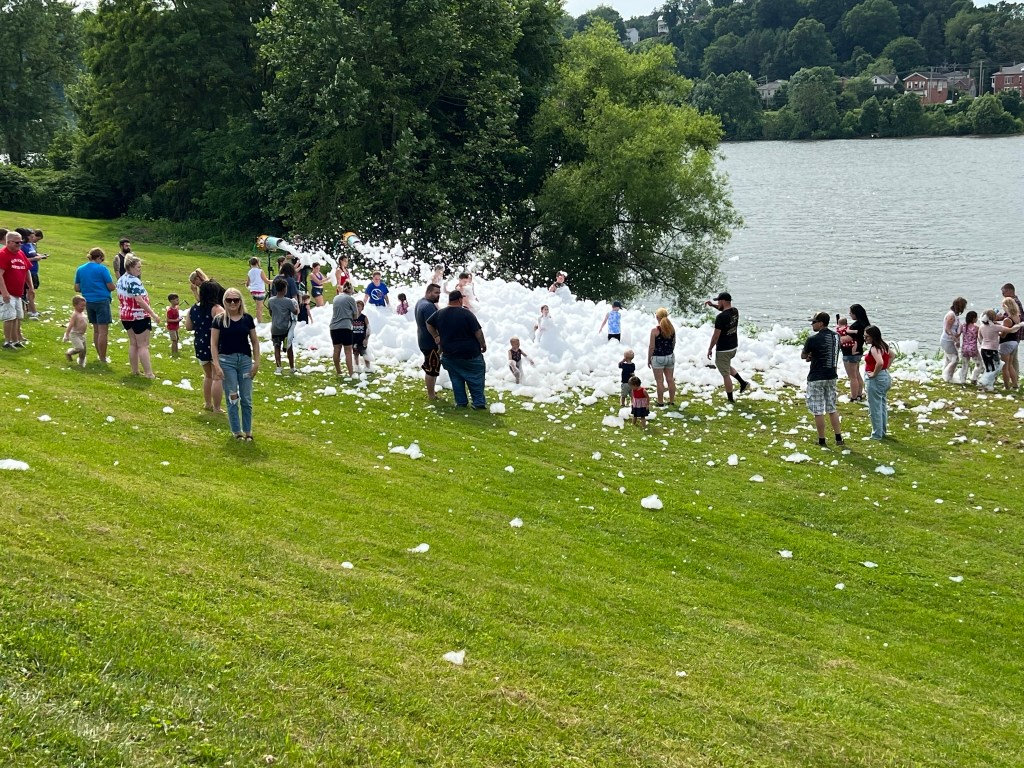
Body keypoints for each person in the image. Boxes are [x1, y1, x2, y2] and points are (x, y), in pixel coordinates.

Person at [210, 288, 260, 441]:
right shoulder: (219, 320)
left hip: (244, 361)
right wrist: (217, 365)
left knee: (246, 398)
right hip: (227, 361)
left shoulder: (247, 319)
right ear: (224, 302)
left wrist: (256, 362)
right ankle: (236, 431)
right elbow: (213, 343)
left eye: (235, 300)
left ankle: (248, 431)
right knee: (232, 397)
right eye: (229, 300)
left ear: (240, 302)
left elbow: (255, 341)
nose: (232, 303)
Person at [426, 289, 487, 409]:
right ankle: (478, 403)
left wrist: (436, 336)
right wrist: (483, 344)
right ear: (459, 299)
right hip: (470, 354)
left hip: (449, 354)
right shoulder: (466, 313)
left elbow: (428, 323)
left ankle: (461, 402)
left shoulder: (440, 313)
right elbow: (478, 332)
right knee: (475, 378)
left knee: (456, 379)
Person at [802, 312, 844, 448]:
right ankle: (838, 438)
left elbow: (803, 355)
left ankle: (822, 440)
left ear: (820, 323)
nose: (812, 324)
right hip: (831, 375)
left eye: (814, 322)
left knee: (818, 410)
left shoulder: (812, 339)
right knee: (832, 408)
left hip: (816, 377)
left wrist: (810, 356)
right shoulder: (837, 336)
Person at [116, 255, 161, 378]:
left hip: (125, 316)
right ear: (130, 267)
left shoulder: (120, 280)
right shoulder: (134, 281)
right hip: (139, 316)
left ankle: (135, 370)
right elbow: (139, 300)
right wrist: (153, 314)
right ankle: (148, 373)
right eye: (138, 267)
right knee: (143, 345)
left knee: (133, 343)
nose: (140, 270)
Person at [185, 279, 225, 411]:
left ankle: (207, 403)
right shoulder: (217, 309)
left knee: (208, 375)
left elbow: (188, 327)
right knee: (217, 377)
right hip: (215, 345)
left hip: (200, 344)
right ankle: (217, 408)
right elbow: (225, 328)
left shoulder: (194, 307)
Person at [73, 247, 116, 362]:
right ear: (98, 258)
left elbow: (77, 288)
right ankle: (103, 357)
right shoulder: (102, 269)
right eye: (102, 259)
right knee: (103, 332)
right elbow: (111, 287)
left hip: (88, 302)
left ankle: (99, 355)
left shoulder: (80, 269)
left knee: (96, 331)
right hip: (102, 301)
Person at [705, 292, 748, 403]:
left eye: (718, 301)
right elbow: (722, 309)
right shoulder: (735, 311)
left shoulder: (720, 318)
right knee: (726, 366)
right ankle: (743, 383)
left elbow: (715, 336)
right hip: (733, 346)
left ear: (723, 301)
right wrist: (712, 305)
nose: (717, 302)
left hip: (723, 349)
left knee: (725, 374)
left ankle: (730, 399)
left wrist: (710, 348)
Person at [0, 231, 32, 349]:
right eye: (17, 242)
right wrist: (4, 292)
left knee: (18, 316)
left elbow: (27, 269)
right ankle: (7, 341)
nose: (20, 244)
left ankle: (15, 340)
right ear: (8, 242)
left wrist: (31, 288)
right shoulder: (3, 254)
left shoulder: (20, 253)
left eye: (21, 242)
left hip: (18, 292)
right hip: (7, 292)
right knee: (10, 317)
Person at [863, 325, 892, 440]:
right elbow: (892, 356)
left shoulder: (875, 348)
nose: (865, 339)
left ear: (873, 336)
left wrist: (874, 373)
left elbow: (879, 362)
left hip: (876, 378)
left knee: (874, 407)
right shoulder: (884, 345)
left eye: (867, 337)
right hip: (885, 376)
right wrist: (886, 367)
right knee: (882, 405)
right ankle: (882, 431)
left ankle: (876, 434)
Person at [414, 283, 442, 400]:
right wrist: (437, 337)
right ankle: (431, 395)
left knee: (432, 367)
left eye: (439, 293)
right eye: (436, 293)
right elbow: (431, 324)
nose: (438, 295)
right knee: (432, 368)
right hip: (429, 342)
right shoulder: (428, 306)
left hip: (423, 339)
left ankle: (433, 393)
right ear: (428, 292)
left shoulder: (420, 302)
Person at [267, 277, 298, 375]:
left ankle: (279, 367)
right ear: (285, 289)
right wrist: (296, 306)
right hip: (285, 329)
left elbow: (271, 313)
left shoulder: (271, 300)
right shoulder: (288, 301)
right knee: (289, 347)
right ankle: (292, 367)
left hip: (275, 328)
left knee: (276, 347)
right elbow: (295, 312)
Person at [840, 304, 869, 401]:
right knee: (857, 374)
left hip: (849, 353)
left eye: (851, 312)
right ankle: (859, 394)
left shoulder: (855, 326)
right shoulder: (864, 324)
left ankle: (853, 397)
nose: (849, 314)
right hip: (858, 351)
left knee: (852, 377)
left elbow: (847, 339)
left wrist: (837, 337)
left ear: (855, 314)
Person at [647, 307, 676, 407]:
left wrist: (649, 359)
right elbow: (673, 343)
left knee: (659, 381)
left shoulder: (655, 330)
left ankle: (660, 401)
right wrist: (670, 351)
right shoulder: (671, 329)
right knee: (670, 379)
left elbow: (652, 347)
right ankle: (672, 401)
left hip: (658, 357)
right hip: (669, 356)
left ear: (657, 317)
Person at [329, 281, 359, 376]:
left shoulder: (336, 298)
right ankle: (351, 373)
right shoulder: (350, 299)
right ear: (351, 290)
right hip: (345, 327)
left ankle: (338, 371)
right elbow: (356, 315)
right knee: (348, 351)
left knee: (336, 350)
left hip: (334, 327)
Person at [939, 297, 967, 383]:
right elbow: (947, 329)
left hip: (950, 340)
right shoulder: (951, 315)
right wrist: (954, 338)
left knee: (949, 359)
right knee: (955, 359)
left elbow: (954, 330)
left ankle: (945, 375)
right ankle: (948, 376)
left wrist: (958, 337)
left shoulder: (954, 315)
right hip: (947, 340)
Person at [20, 228, 45, 319]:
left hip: (34, 270)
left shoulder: (31, 245)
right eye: (31, 236)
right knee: (29, 292)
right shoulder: (22, 246)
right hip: (27, 271)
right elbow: (21, 260)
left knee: (32, 291)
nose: (33, 238)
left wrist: (39, 256)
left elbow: (33, 254)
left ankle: (30, 310)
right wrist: (34, 259)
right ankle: (33, 311)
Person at [1002, 283, 1023, 386]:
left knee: (1011, 360)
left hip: (1013, 336)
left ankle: (1014, 380)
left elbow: (1014, 319)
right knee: (1012, 358)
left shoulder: (1013, 302)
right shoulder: (1015, 302)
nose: (1003, 294)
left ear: (1010, 291)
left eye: (1004, 292)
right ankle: (1015, 380)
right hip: (1015, 335)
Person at [997, 297, 1021, 390]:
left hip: (1006, 343)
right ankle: (1015, 384)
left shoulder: (1007, 319)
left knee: (1004, 367)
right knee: (1010, 365)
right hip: (1014, 342)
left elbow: (1003, 335)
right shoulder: (1017, 317)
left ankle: (1006, 386)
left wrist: (997, 330)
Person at [63, 295, 88, 366]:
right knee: (80, 348)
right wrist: (66, 335)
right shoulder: (75, 315)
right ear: (75, 305)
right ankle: (69, 353)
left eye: (84, 306)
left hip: (81, 335)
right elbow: (70, 325)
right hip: (75, 334)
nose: (83, 308)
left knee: (83, 352)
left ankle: (81, 363)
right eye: (81, 306)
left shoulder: (82, 313)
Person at [959, 311, 981, 385]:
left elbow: (958, 334)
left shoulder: (963, 326)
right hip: (973, 349)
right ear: (974, 319)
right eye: (976, 317)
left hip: (964, 348)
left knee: (965, 365)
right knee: (979, 364)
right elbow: (980, 339)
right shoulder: (976, 328)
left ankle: (962, 380)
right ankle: (974, 378)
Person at [246, 256, 270, 322]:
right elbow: (267, 281)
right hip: (260, 291)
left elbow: (247, 283)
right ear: (257, 263)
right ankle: (259, 322)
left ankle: (258, 318)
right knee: (259, 308)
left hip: (253, 291)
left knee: (258, 307)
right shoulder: (260, 271)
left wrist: (249, 288)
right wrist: (276, 280)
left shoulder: (249, 272)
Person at [352, 300, 372, 371]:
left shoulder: (364, 317)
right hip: (354, 339)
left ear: (362, 308)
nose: (357, 308)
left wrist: (366, 339)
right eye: (356, 306)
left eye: (359, 306)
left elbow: (369, 329)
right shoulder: (352, 317)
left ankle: (368, 367)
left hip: (362, 339)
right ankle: (357, 367)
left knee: (364, 353)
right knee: (355, 354)